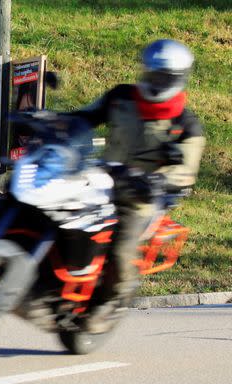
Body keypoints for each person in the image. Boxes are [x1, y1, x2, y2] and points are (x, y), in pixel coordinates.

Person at [70, 39, 206, 333]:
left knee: (120, 252)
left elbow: (187, 171)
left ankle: (108, 300)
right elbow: (86, 116)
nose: (156, 82)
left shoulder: (186, 124)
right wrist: (57, 122)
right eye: (152, 74)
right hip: (100, 180)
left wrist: (162, 179)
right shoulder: (121, 97)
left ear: (178, 79)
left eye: (164, 77)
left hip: (141, 198)